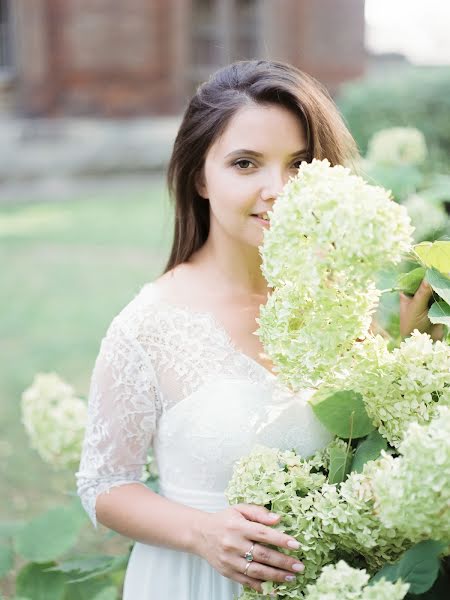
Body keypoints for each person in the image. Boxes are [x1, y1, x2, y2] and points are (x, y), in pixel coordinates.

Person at [76, 60, 441, 600]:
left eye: (300, 164)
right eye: (245, 164)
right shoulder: (148, 325)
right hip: (193, 581)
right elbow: (104, 485)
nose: (279, 189)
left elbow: (373, 451)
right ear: (201, 176)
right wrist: (201, 533)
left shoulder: (345, 299)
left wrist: (415, 351)